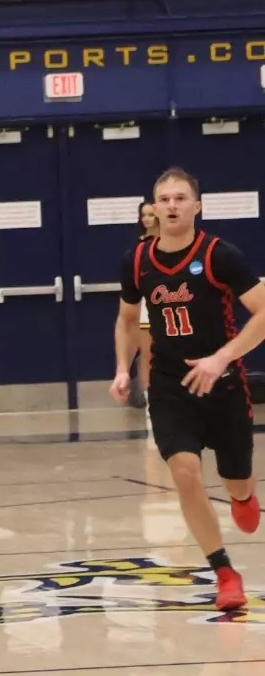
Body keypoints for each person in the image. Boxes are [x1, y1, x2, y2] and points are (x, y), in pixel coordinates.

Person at [112, 167, 265, 611]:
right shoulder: (137, 261)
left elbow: (262, 313)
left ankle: (244, 495)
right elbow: (125, 321)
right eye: (165, 199)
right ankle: (223, 571)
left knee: (236, 481)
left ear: (197, 206)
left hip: (223, 383)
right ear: (154, 208)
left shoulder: (220, 255)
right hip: (170, 384)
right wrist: (123, 369)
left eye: (181, 198)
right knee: (184, 473)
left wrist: (221, 358)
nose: (173, 205)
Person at [127, 199, 160, 410]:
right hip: (146, 300)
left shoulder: (169, 240)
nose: (147, 219)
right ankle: (148, 396)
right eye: (143, 215)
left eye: (150, 214)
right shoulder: (139, 245)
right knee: (146, 350)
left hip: (170, 298)